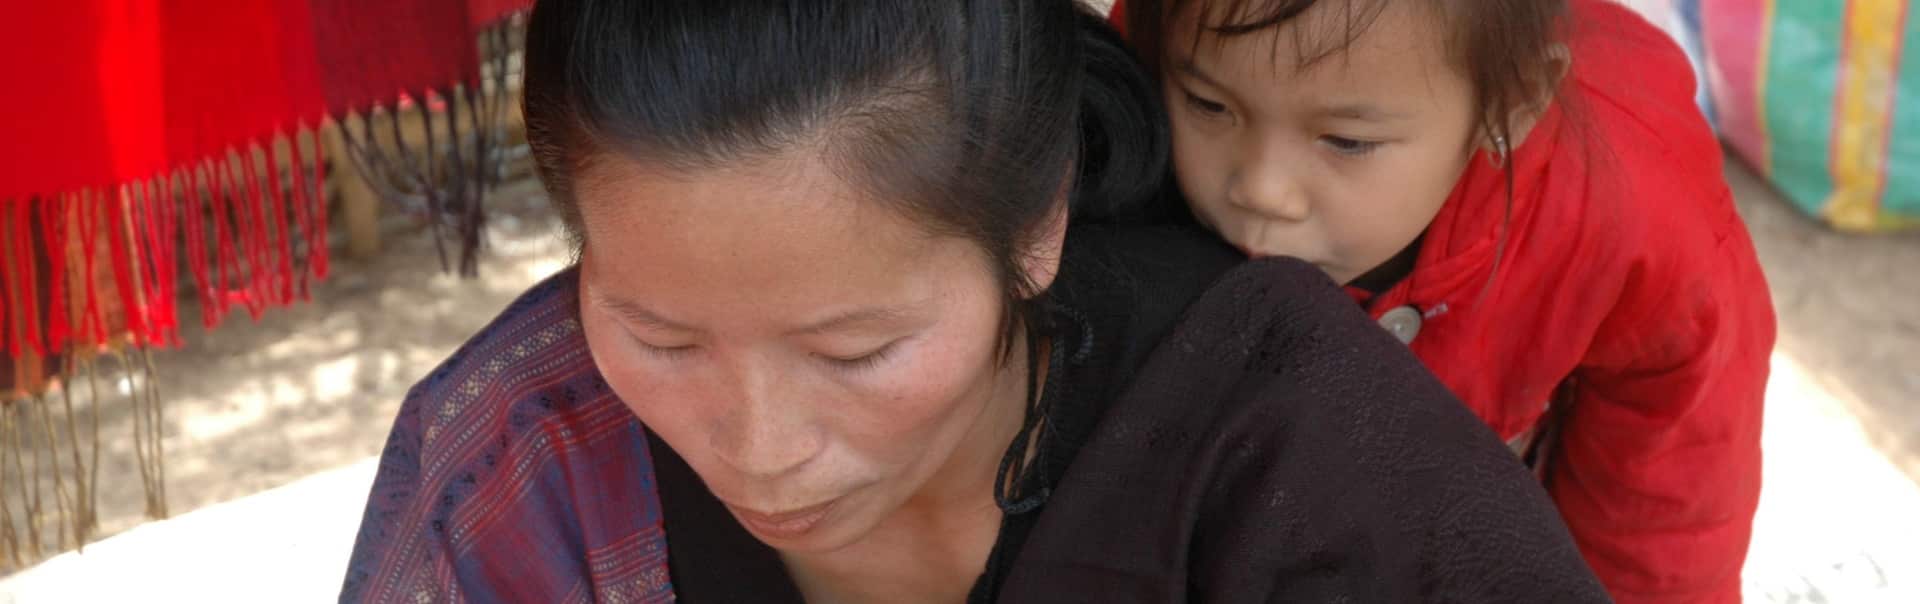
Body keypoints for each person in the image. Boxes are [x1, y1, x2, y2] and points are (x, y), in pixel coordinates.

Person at [340, 0, 1609, 601]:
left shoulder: (1307, 469)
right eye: (659, 333)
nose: (761, 446)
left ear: (1039, 220)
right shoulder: (517, 464)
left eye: (858, 347)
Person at [1111, 0, 1776, 601]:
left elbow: (1666, 506)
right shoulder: (1129, 94)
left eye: (1346, 141)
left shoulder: (1635, 218)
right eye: (1206, 103)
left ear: (1510, 107)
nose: (1261, 188)